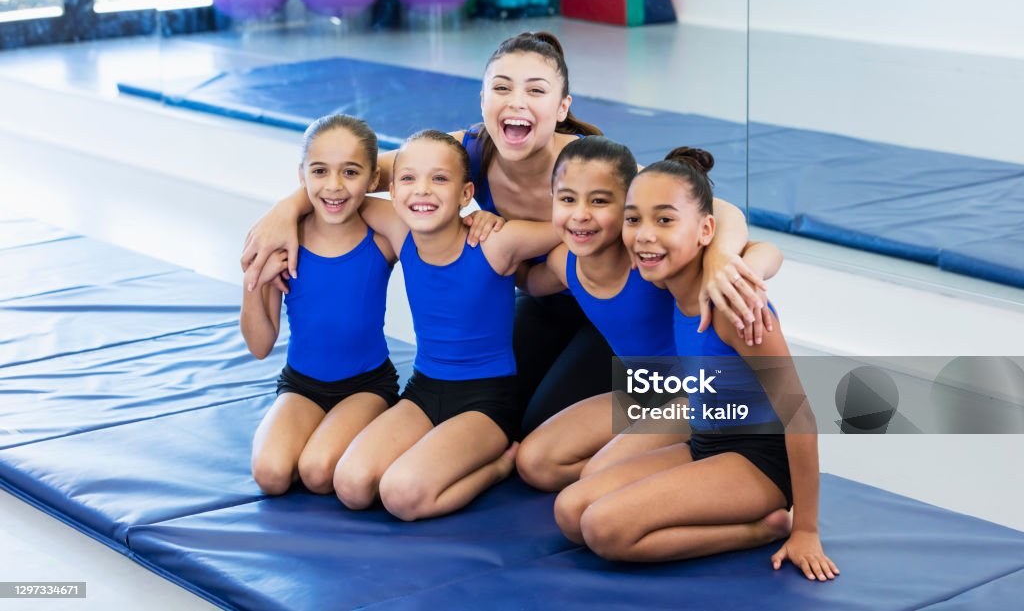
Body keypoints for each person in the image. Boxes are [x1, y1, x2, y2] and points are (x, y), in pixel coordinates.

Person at [240, 31, 764, 437]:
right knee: (498, 412)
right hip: (540, 299)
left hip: (604, 316)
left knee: (537, 427)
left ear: (561, 108)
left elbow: (718, 208)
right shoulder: (464, 151)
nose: (516, 102)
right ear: (483, 99)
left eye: (535, 91)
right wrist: (286, 210)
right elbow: (351, 173)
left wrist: (721, 257)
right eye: (501, 88)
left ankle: (688, 419)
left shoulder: (588, 166)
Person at [552, 148, 838, 582]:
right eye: (633, 220)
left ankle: (761, 528)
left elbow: (800, 416)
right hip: (705, 440)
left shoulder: (733, 307)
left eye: (664, 220)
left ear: (706, 230)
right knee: (570, 511)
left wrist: (807, 529)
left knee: (602, 528)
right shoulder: (666, 282)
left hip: (756, 459)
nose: (645, 235)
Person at [517, 136, 781, 492]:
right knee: (536, 464)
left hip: (693, 396)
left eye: (599, 201)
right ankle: (650, 462)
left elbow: (762, 245)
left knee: (596, 476)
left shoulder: (648, 261)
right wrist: (482, 235)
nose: (581, 214)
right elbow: (529, 282)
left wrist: (732, 263)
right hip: (642, 390)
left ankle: (696, 461)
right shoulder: (563, 263)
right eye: (567, 199)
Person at [332, 130, 560, 520]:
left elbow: (575, 228)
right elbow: (337, 194)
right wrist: (283, 213)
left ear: (466, 193)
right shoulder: (401, 231)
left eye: (439, 179)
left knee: (401, 496)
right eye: (408, 179)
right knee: (351, 485)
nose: (422, 190)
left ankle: (500, 465)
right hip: (424, 390)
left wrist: (498, 221)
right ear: (391, 188)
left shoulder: (495, 243)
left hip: (485, 403)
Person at [241, 115, 400, 496]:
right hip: (301, 385)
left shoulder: (382, 238)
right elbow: (260, 346)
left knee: (316, 470)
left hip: (367, 386)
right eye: (320, 171)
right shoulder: (282, 241)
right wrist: (254, 282)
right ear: (302, 175)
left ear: (372, 178)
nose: (334, 186)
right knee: (270, 474)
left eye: (350, 172)